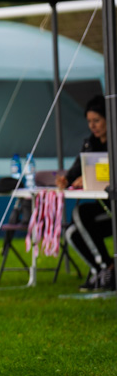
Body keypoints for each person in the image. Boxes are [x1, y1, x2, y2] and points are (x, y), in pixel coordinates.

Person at [58, 96, 113, 290]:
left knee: (79, 214)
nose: (93, 126)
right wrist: (66, 180)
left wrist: (93, 181)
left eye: (96, 121)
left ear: (109, 118)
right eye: (89, 122)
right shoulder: (89, 144)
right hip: (102, 207)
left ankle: (106, 270)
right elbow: (74, 172)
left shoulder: (114, 143)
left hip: (111, 207)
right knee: (71, 232)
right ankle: (104, 270)